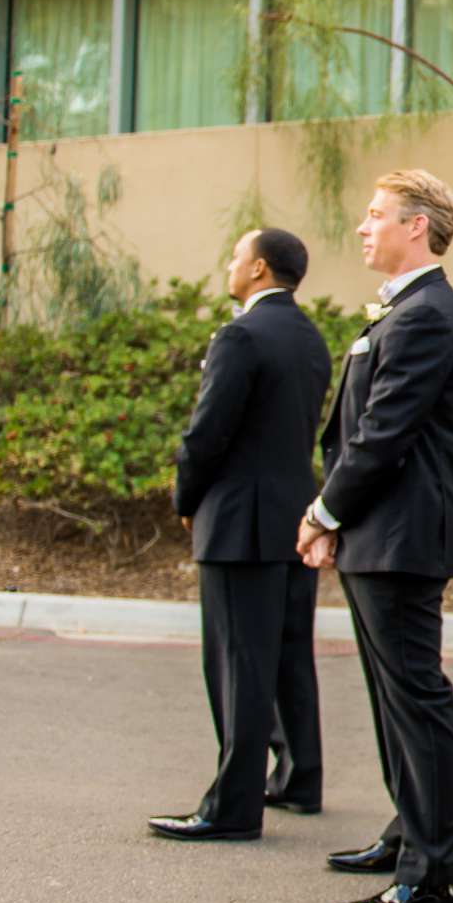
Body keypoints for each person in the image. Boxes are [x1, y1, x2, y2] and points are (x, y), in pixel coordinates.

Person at [300, 170, 453, 903]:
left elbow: (382, 435)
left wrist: (324, 509)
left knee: (415, 697)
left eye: (376, 216)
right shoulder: (404, 311)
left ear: (417, 227)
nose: (363, 228)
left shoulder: (427, 315)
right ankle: (410, 830)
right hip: (381, 534)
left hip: (400, 536)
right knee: (390, 696)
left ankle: (433, 869)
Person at [148, 227, 331, 842]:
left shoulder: (240, 335)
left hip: (236, 521)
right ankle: (301, 777)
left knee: (236, 663)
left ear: (257, 269)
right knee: (286, 654)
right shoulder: (310, 338)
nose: (228, 266)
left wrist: (185, 497)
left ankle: (233, 805)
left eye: (234, 258)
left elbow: (208, 432)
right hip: (292, 514)